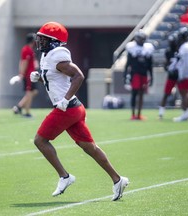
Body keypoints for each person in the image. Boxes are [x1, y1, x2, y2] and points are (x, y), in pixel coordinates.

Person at [30, 21, 129, 201]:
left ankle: (64, 176)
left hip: (67, 108)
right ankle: (118, 179)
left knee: (40, 141)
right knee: (89, 148)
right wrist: (40, 78)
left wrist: (65, 100)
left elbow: (78, 76)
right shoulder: (48, 56)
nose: (40, 41)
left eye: (44, 39)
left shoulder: (56, 55)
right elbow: (56, 80)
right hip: (74, 108)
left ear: (53, 41)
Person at [123, 30, 154, 120]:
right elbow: (127, 64)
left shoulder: (148, 48)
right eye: (140, 38)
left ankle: (139, 114)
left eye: (142, 38)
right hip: (135, 74)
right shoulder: (131, 47)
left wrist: (151, 77)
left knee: (141, 94)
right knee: (134, 93)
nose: (141, 40)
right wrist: (125, 76)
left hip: (144, 74)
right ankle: (133, 114)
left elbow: (150, 65)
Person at [11, 33, 39, 117]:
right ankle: (27, 112)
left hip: (31, 75)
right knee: (29, 93)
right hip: (28, 75)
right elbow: (24, 62)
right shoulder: (26, 49)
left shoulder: (29, 50)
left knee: (34, 92)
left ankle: (19, 107)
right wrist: (22, 74)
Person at [158, 33, 179, 119]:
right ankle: (161, 113)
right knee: (166, 93)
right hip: (171, 75)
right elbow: (166, 63)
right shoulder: (168, 52)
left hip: (180, 74)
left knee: (184, 93)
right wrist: (167, 68)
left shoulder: (180, 50)